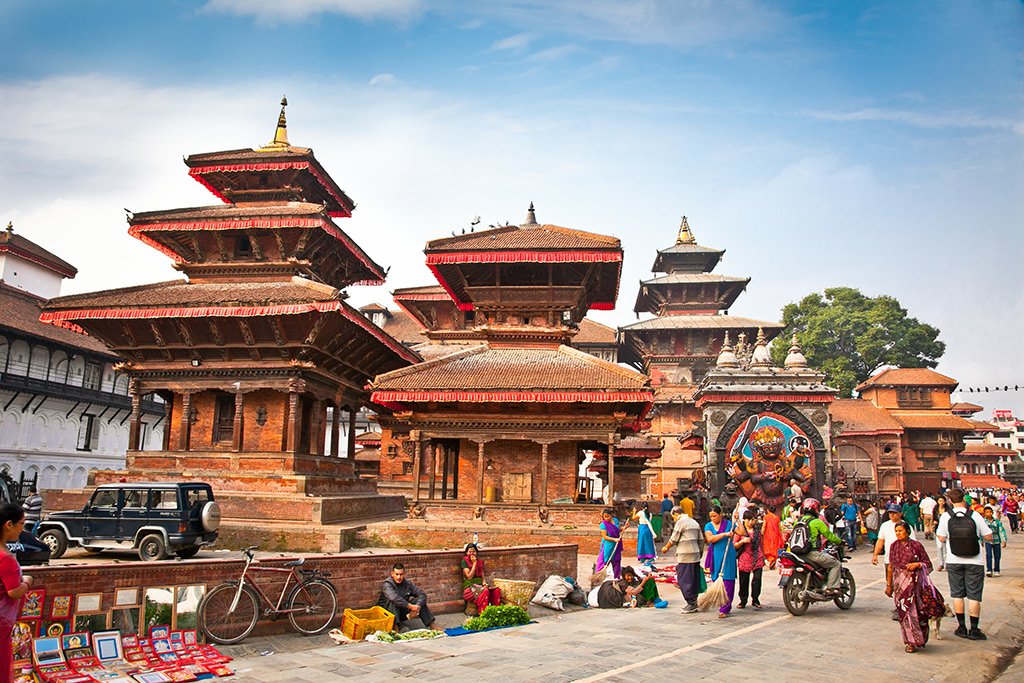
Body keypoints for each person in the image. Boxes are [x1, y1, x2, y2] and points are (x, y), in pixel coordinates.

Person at [936, 488, 993, 640]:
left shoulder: (946, 516)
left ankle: (961, 627)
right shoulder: (975, 515)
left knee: (957, 594)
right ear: (965, 499)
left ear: (950, 501)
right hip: (975, 560)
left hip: (954, 560)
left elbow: (941, 538)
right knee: (974, 596)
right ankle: (974, 630)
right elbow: (988, 536)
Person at [885, 521, 933, 653]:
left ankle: (920, 637)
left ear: (907, 531)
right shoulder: (894, 546)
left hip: (916, 584)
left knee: (918, 611)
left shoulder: (917, 546)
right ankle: (910, 641)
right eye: (896, 531)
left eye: (900, 531)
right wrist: (889, 585)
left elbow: (927, 564)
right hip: (900, 584)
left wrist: (917, 565)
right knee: (905, 613)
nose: (898, 534)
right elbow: (890, 566)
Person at [1, 503, 33, 680]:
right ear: (9, 524)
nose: (23, 529)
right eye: (22, 524)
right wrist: (27, 582)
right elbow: (13, 592)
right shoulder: (5, 558)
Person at [794, 498, 844, 595]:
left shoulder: (798, 521)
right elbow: (829, 535)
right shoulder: (817, 522)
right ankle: (832, 588)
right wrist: (839, 541)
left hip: (798, 554)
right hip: (812, 553)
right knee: (835, 564)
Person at [662, 505, 703, 614]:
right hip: (695, 555)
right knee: (694, 580)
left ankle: (690, 603)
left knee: (685, 580)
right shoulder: (694, 522)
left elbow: (674, 538)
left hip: (685, 556)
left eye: (673, 517)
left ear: (676, 514)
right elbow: (701, 540)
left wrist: (666, 547)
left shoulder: (681, 522)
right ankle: (694, 601)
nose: (674, 519)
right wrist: (700, 554)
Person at [376, 563, 439, 631]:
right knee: (392, 601)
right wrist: (411, 606)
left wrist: (417, 606)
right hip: (387, 614)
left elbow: (422, 594)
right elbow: (394, 598)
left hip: (401, 611)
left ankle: (432, 625)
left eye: (401, 574)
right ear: (392, 574)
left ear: (404, 574)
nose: (399, 577)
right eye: (397, 574)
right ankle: (397, 627)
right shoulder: (387, 584)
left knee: (418, 600)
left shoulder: (407, 584)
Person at [704, 506, 737, 618]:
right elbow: (710, 539)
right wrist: (725, 534)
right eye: (711, 516)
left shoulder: (729, 524)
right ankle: (720, 603)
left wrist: (737, 520)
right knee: (716, 580)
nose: (713, 518)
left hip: (728, 555)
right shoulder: (708, 526)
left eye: (715, 516)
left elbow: (741, 532)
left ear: (721, 514)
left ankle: (725, 608)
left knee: (728, 581)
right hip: (715, 556)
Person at [733, 509, 765, 609]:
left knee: (757, 579)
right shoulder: (740, 530)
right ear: (744, 520)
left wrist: (763, 555)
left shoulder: (757, 531)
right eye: (748, 520)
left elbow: (761, 543)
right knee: (744, 580)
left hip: (757, 557)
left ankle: (755, 599)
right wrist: (742, 542)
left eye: (752, 520)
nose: (750, 522)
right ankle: (743, 600)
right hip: (745, 558)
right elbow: (734, 545)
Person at [595, 566, 666, 608]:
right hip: (631, 598)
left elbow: (639, 583)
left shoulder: (633, 580)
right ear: (624, 576)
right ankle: (649, 602)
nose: (630, 577)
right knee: (645, 585)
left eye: (631, 575)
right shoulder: (623, 583)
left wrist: (644, 579)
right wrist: (643, 582)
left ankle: (655, 599)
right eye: (628, 576)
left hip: (637, 594)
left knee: (650, 581)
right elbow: (633, 592)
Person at [460, 543, 501, 614]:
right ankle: (483, 613)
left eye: (474, 551)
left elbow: (482, 576)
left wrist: (484, 583)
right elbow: (469, 577)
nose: (472, 553)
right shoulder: (464, 561)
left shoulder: (480, 562)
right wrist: (474, 563)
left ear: (476, 552)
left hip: (479, 585)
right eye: (470, 552)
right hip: (470, 586)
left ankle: (496, 611)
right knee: (485, 591)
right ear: (466, 553)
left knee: (496, 590)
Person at [596, 508, 627, 580]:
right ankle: (598, 577)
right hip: (608, 545)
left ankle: (617, 577)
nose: (606, 518)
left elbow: (618, 530)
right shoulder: (603, 525)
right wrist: (614, 539)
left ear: (611, 515)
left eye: (608, 516)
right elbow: (605, 536)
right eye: (605, 517)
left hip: (616, 544)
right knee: (604, 560)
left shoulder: (615, 521)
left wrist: (625, 528)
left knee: (616, 561)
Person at [982, 506, 1007, 578]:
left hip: (996, 540)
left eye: (990, 512)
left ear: (992, 513)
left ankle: (997, 570)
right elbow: (981, 531)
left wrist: (1003, 540)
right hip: (988, 541)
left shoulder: (997, 521)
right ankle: (989, 569)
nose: (989, 514)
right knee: (989, 555)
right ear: (984, 513)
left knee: (997, 556)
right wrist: (981, 540)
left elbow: (1001, 530)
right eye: (987, 512)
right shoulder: (983, 522)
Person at [761, 504, 783, 569]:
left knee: (768, 549)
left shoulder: (766, 517)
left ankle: (770, 561)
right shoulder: (777, 518)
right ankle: (773, 563)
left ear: (768, 510)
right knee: (774, 549)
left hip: (768, 535)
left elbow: (764, 527)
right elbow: (780, 528)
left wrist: (761, 533)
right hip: (776, 535)